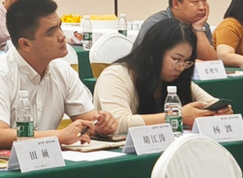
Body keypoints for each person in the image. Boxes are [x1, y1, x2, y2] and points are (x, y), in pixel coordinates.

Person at [0, 0, 116, 148]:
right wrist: (58, 136)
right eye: (51, 33)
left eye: (60, 27)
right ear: (25, 44)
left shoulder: (63, 70)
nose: (62, 36)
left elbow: (91, 121)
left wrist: (103, 125)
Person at [95, 18, 230, 134]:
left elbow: (210, 103)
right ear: (154, 54)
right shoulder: (116, 76)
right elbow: (119, 122)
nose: (181, 67)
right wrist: (177, 116)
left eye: (186, 62)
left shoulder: (176, 78)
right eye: (176, 59)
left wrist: (220, 112)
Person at [137, 0, 219, 60]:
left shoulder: (202, 26)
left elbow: (212, 63)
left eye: (204, 0)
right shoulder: (155, 25)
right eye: (195, 1)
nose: (202, 7)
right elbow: (148, 60)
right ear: (176, 4)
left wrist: (198, 29)